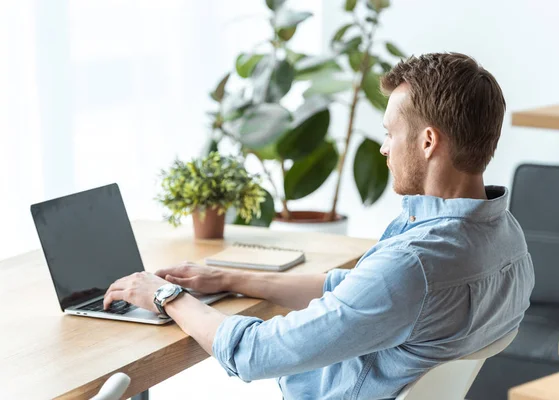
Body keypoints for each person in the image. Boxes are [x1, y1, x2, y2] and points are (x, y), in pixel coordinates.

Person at [104, 52, 535, 399]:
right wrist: (229, 278)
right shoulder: (506, 238)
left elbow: (255, 352)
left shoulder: (415, 265)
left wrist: (165, 295)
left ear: (427, 141)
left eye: (390, 133)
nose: (384, 149)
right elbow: (360, 291)